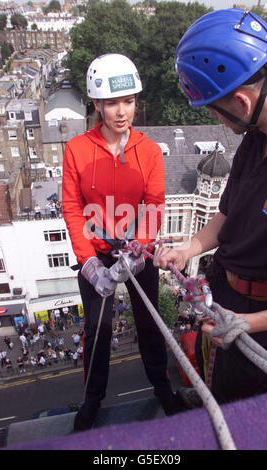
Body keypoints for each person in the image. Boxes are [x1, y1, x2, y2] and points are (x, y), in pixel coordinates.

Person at [154, 8, 267, 405]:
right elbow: (227, 215)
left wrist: (248, 323)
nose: (214, 117)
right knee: (220, 377)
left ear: (243, 103)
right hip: (229, 296)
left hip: (265, 317)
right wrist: (188, 249)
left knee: (243, 407)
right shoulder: (256, 138)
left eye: (213, 107)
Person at [62, 53, 185, 432]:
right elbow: (72, 206)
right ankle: (93, 399)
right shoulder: (77, 151)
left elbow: (153, 203)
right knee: (96, 330)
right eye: (112, 102)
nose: (121, 111)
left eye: (128, 101)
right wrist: (89, 263)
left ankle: (162, 386)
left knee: (149, 322)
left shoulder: (149, 151)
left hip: (137, 253)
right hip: (97, 253)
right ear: (97, 104)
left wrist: (138, 250)